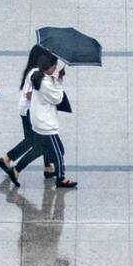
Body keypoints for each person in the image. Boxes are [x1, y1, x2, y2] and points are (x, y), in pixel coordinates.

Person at [0, 45, 57, 186]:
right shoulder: (35, 72)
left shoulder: (36, 71)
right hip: (31, 112)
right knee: (38, 142)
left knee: (38, 140)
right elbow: (29, 94)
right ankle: (8, 161)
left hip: (29, 110)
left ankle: (48, 167)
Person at [29, 52, 78, 188]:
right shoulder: (45, 82)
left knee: (55, 150)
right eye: (55, 65)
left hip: (41, 121)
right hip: (46, 124)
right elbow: (57, 98)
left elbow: (53, 90)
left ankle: (50, 170)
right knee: (57, 151)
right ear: (49, 67)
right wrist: (59, 83)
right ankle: (60, 178)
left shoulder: (41, 78)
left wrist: (59, 79)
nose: (56, 68)